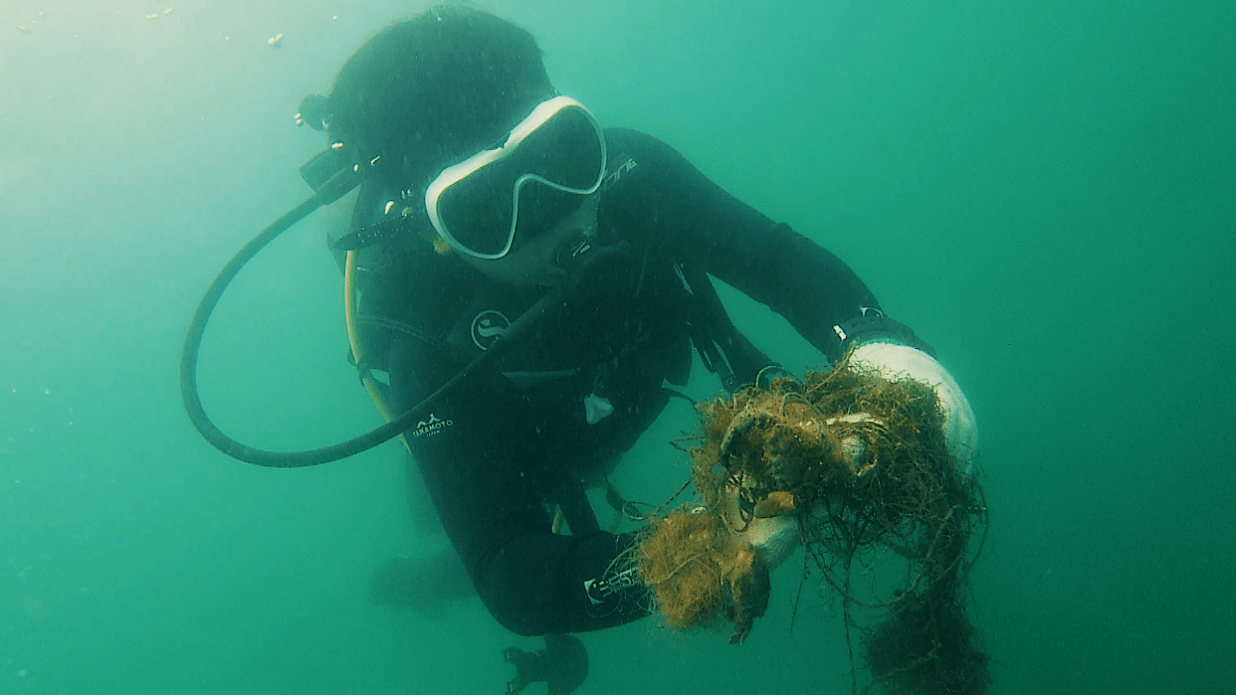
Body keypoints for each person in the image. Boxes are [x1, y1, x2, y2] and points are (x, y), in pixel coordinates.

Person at [297, 5, 977, 641]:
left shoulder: (633, 176)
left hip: (631, 382)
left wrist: (880, 343)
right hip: (521, 439)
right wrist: (701, 553)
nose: (556, 217)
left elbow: (772, 259)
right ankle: (410, 580)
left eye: (563, 157)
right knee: (483, 522)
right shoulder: (424, 330)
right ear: (434, 232)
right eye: (482, 209)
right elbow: (508, 568)